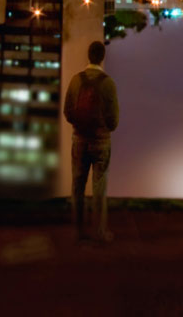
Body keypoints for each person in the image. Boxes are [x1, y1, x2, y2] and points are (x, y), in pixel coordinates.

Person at [63, 39, 119, 242]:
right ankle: (100, 232)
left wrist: (79, 125)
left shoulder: (76, 81)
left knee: (77, 186)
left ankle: (77, 232)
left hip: (79, 140)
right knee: (99, 187)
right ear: (102, 57)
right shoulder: (108, 83)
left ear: (89, 56)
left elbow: (67, 111)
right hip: (101, 141)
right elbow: (114, 120)